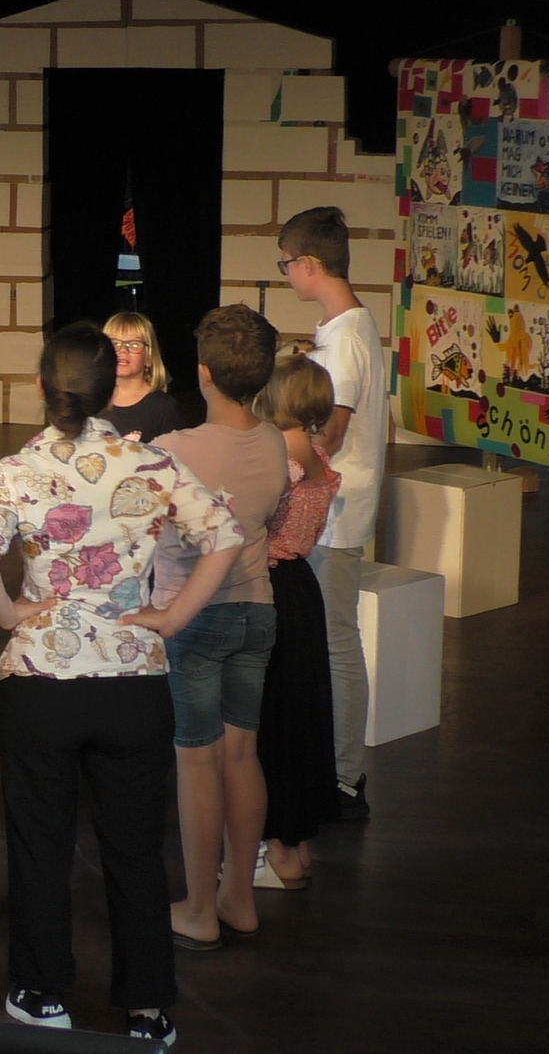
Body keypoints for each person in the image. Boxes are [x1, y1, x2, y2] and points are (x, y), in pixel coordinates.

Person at [0, 321, 245, 1048]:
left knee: (40, 843)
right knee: (136, 849)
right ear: (110, 388)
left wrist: (10, 615)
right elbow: (225, 537)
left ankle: (41, 992)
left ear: (40, 387)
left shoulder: (12, 470)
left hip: (39, 683)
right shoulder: (151, 463)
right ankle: (147, 1008)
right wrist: (171, 618)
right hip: (132, 680)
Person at [147, 305, 287, 948]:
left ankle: (200, 909)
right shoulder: (273, 442)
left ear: (203, 372)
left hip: (195, 616)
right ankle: (239, 898)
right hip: (256, 610)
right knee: (241, 753)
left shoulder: (174, 451)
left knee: (196, 761)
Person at [281, 206, 387, 819]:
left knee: (337, 642)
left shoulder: (345, 336)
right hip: (329, 511)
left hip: (336, 514)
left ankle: (346, 777)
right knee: (326, 639)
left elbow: (333, 432)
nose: (286, 274)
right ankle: (331, 765)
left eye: (286, 264)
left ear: (308, 264)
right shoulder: (343, 328)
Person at [251, 353, 344, 889]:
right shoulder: (315, 450)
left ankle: (280, 848)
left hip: (274, 587)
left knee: (276, 719)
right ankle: (298, 842)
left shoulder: (281, 454)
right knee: (301, 712)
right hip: (300, 588)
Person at [99, 312, 184, 442]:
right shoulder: (93, 401)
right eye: (114, 344)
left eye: (134, 344)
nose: (123, 350)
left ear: (149, 357)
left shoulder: (163, 407)